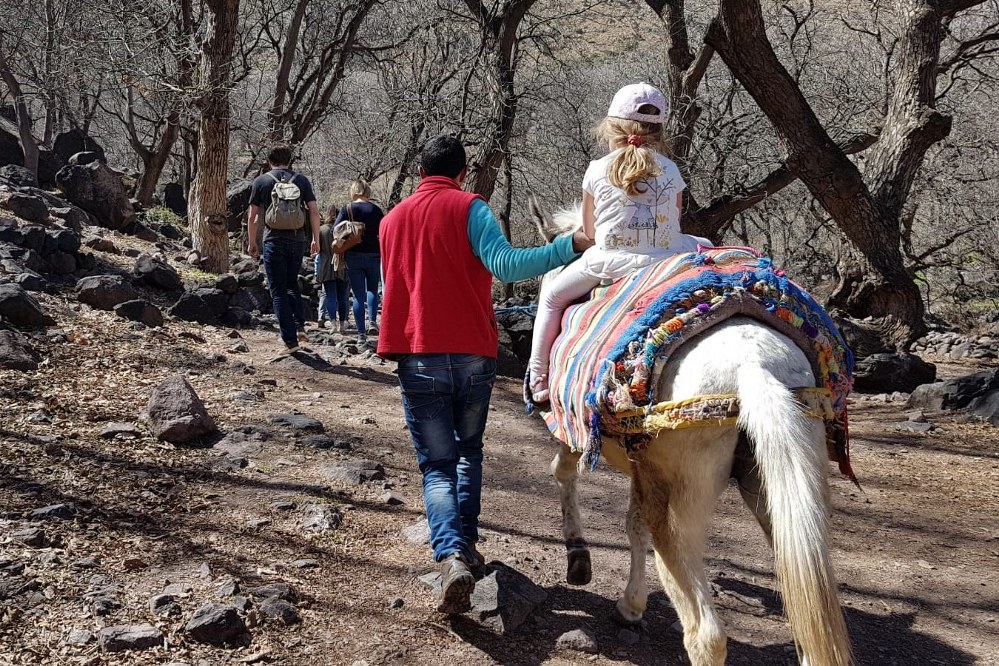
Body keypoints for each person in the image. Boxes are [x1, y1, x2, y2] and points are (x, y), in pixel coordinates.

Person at [377, 135, 593, 614]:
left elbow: (393, 287)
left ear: (420, 172)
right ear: (463, 172)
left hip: (418, 355)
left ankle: (451, 553)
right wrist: (572, 244)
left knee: (436, 465)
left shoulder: (391, 220)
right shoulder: (471, 208)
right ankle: (467, 546)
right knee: (467, 453)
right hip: (473, 353)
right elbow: (507, 265)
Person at [527, 82, 710, 403]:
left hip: (610, 260)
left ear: (612, 127)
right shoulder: (670, 169)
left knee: (552, 296)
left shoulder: (597, 169)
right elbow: (674, 221)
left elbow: (590, 233)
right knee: (706, 244)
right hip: (666, 259)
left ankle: (538, 377)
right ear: (660, 132)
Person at [247, 144, 321, 352]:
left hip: (273, 240)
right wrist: (316, 239)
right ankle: (299, 327)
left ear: (269, 161)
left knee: (277, 290)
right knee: (291, 284)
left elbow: (252, 216)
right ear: (290, 161)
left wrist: (253, 241)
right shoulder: (301, 181)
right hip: (297, 240)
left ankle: (290, 340)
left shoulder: (261, 181)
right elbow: (314, 212)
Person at [336, 179, 384, 346]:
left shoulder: (347, 209)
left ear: (354, 191)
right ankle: (372, 321)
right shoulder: (376, 210)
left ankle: (361, 335)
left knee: (357, 296)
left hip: (353, 254)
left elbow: (336, 231)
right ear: (367, 191)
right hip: (374, 254)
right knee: (372, 290)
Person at [316, 206, 351, 332]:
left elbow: (317, 249)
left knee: (330, 295)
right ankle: (342, 323)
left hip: (326, 265)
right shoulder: (344, 230)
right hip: (342, 265)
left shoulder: (321, 230)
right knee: (343, 296)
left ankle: (333, 323)